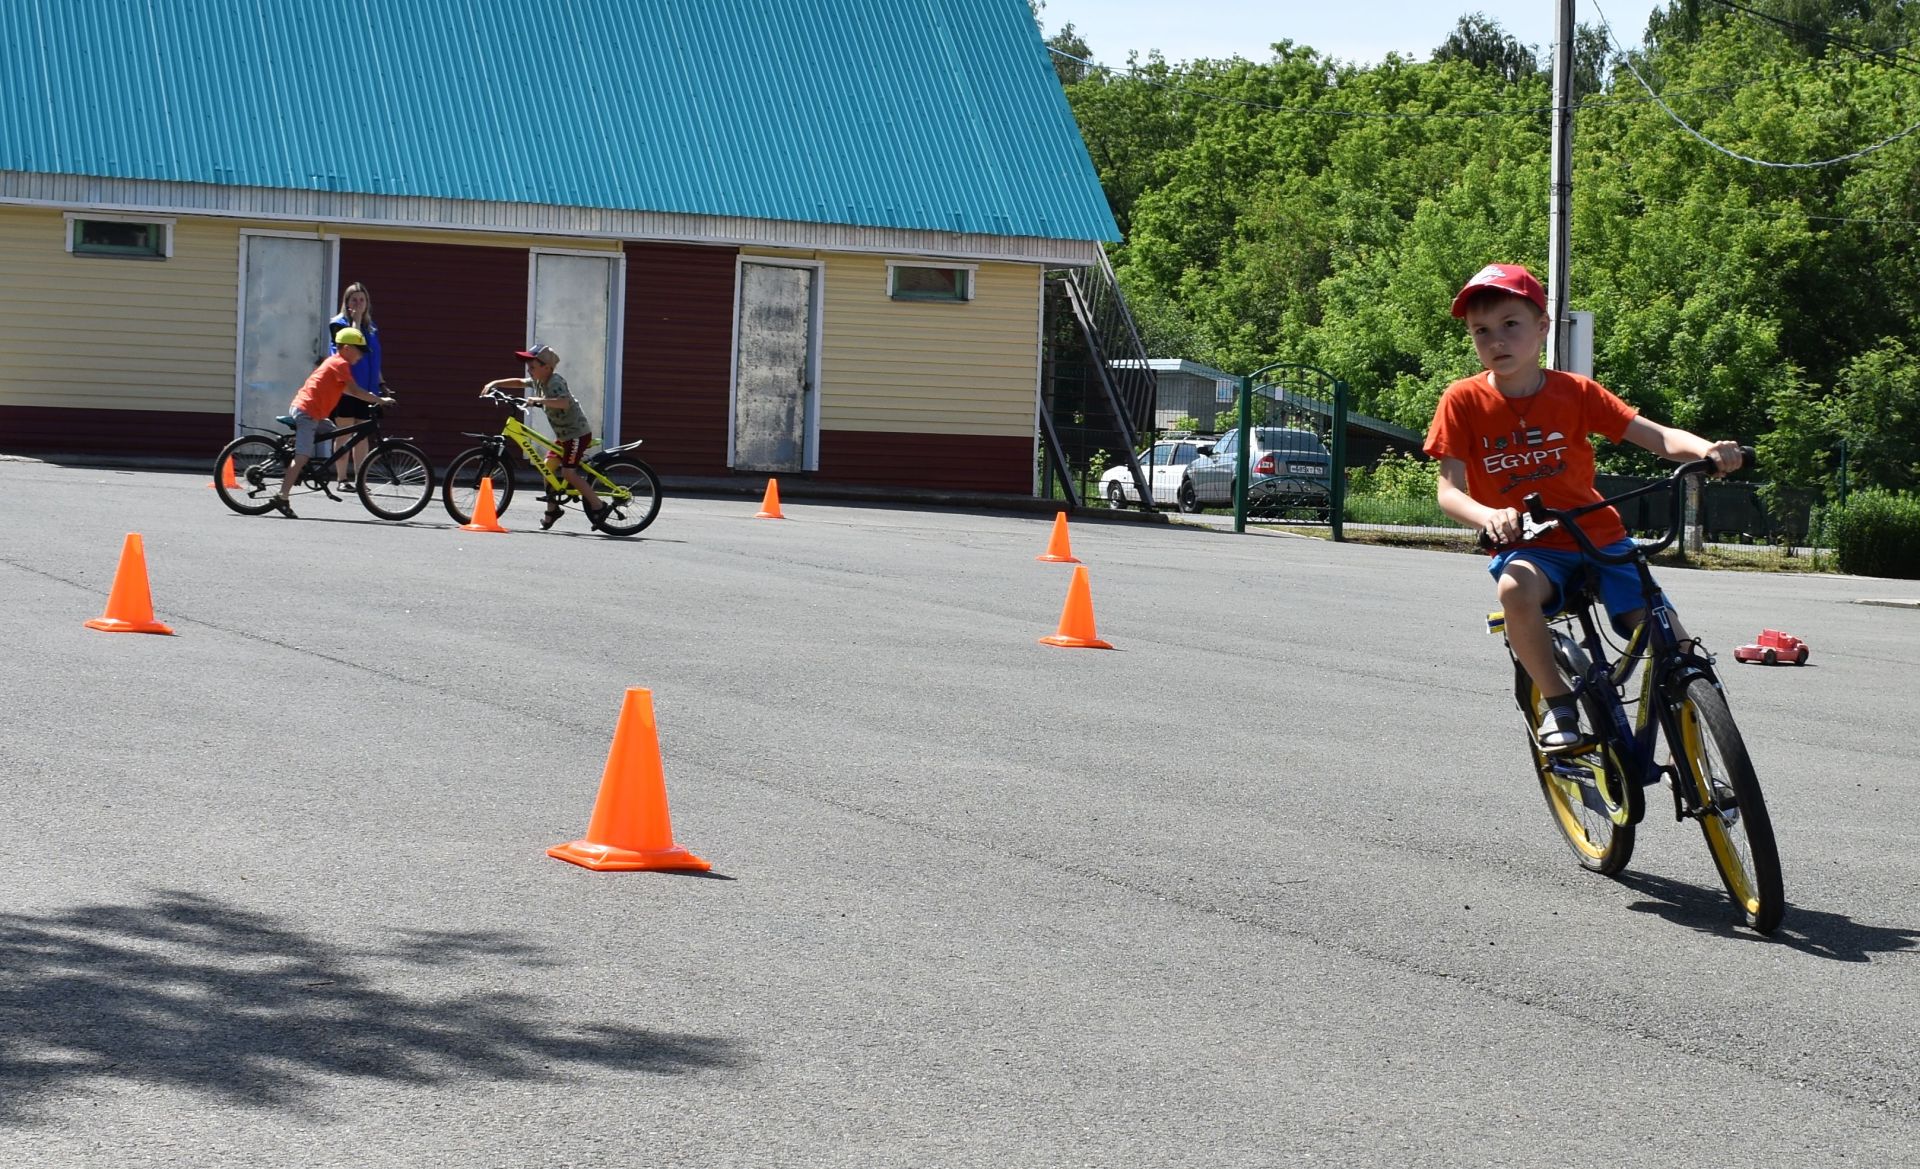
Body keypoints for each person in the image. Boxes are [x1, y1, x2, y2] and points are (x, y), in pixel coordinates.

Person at [1424, 263, 1742, 751]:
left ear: (1543, 326)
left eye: (1511, 324)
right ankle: (1558, 703)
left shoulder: (1574, 391)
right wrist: (1490, 516)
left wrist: (1707, 451)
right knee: (1514, 587)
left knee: (1675, 648)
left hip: (1600, 536)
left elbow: (1655, 436)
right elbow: (1449, 489)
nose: (1497, 340)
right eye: (1481, 331)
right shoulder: (1462, 400)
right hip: (1532, 543)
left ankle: (1705, 750)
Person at [480, 344, 607, 530]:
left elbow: (563, 402)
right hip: (563, 435)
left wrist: (539, 400)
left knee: (568, 473)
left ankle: (599, 506)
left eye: (532, 367)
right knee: (548, 468)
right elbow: (519, 382)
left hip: (576, 434)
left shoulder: (555, 381)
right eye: (528, 367)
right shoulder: (539, 380)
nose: (529, 370)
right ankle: (553, 510)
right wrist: (495, 383)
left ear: (547, 367)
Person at [271, 327, 395, 517]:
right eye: (359, 351)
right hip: (307, 412)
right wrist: (380, 400)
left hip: (314, 413)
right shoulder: (339, 364)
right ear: (346, 348)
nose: (361, 356)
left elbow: (345, 390)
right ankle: (282, 496)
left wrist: (370, 397)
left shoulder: (336, 364)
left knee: (334, 432)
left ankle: (296, 452)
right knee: (303, 455)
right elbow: (354, 391)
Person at [327, 282, 389, 487]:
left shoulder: (371, 327)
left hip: (367, 388)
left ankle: (360, 478)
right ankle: (342, 478)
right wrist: (355, 321)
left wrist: (382, 383)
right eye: (354, 299)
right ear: (346, 302)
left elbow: (373, 358)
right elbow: (353, 344)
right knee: (344, 432)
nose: (358, 303)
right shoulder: (339, 324)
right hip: (346, 387)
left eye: (362, 299)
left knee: (362, 435)